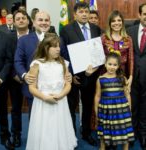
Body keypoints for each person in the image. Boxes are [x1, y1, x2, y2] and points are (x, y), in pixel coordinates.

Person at [26, 33, 77, 150]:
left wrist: (60, 95)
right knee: (45, 129)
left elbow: (68, 85)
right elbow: (32, 87)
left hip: (60, 101)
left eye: (59, 46)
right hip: (43, 102)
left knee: (59, 128)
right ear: (46, 48)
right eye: (55, 46)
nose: (58, 49)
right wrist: (45, 97)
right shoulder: (37, 64)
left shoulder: (63, 63)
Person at [60, 2, 101, 146]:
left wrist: (93, 70)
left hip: (91, 76)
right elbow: (63, 53)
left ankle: (86, 133)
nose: (84, 14)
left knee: (88, 106)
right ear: (75, 14)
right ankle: (71, 135)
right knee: (71, 107)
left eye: (86, 11)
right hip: (74, 77)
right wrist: (70, 73)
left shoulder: (96, 29)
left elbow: (98, 53)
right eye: (81, 12)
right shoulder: (66, 29)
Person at [94, 52, 134, 150]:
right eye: (110, 64)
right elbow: (97, 96)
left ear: (118, 66)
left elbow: (127, 95)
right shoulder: (100, 79)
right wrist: (96, 111)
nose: (112, 67)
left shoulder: (122, 78)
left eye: (115, 65)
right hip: (106, 111)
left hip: (122, 111)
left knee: (124, 132)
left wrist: (129, 108)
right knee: (105, 132)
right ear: (105, 64)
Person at [8, 10, 30, 148]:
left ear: (28, 21)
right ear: (14, 22)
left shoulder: (36, 36)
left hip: (33, 79)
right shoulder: (8, 38)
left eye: (23, 18)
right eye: (18, 18)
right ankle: (16, 135)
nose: (21, 20)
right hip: (14, 79)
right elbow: (7, 59)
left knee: (35, 109)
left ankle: (35, 135)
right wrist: (15, 75)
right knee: (16, 109)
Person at [127, 3, 146, 150]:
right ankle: (132, 134)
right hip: (132, 78)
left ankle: (143, 134)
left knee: (145, 108)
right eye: (145, 14)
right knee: (132, 107)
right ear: (140, 15)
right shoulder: (129, 31)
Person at [101, 10, 134, 92]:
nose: (116, 23)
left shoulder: (128, 39)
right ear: (109, 23)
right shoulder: (104, 38)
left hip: (122, 75)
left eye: (119, 20)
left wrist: (130, 76)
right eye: (113, 21)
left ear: (122, 22)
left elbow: (131, 59)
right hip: (106, 75)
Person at [0, 11, 14, 150]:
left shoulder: (5, 37)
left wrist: (0, 78)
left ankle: (5, 136)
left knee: (2, 111)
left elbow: (9, 60)